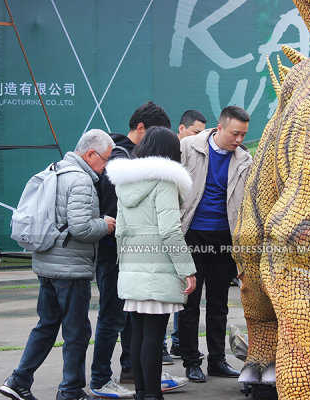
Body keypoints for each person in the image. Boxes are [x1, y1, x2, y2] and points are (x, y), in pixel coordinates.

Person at [0, 130, 116, 400]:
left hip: (47, 262)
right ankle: (71, 390)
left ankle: (19, 380)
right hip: (70, 267)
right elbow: (81, 228)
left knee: (47, 324)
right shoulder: (81, 181)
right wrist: (107, 225)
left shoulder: (55, 171)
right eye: (105, 159)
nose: (106, 166)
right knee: (77, 331)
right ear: (90, 154)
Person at [106, 126, 197, 400]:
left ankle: (142, 393)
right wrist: (187, 269)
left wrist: (127, 267)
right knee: (154, 337)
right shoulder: (164, 182)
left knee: (137, 334)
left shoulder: (124, 183)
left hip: (133, 270)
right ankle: (153, 395)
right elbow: (170, 231)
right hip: (159, 271)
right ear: (170, 153)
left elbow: (120, 231)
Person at [90, 102, 171, 398]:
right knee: (112, 317)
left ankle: (131, 371)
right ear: (141, 129)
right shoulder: (119, 160)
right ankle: (100, 378)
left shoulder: (126, 158)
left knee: (128, 322)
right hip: (115, 255)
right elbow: (115, 216)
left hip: (125, 256)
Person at [178, 105, 253, 382]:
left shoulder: (245, 160)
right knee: (190, 301)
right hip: (192, 235)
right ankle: (190, 360)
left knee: (219, 303)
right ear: (219, 128)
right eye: (235, 133)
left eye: (244, 135)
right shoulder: (188, 148)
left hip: (224, 238)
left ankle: (217, 360)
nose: (239, 140)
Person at [167, 109, 207, 361]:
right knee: (173, 295)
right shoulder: (171, 157)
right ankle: (172, 343)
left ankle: (178, 342)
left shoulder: (199, 157)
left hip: (195, 237)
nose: (199, 138)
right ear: (181, 130)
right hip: (176, 235)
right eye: (195, 133)